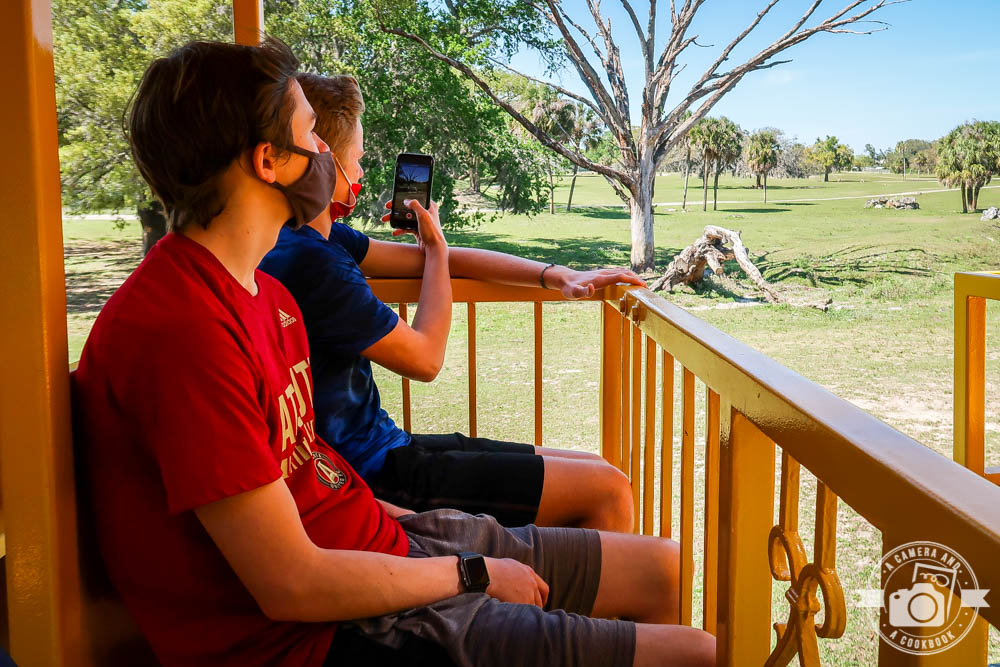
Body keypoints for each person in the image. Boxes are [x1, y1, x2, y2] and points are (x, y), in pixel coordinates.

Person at [72, 37, 715, 667]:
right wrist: (470, 571)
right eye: (312, 135)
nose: (327, 155)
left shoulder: (267, 294)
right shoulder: (184, 332)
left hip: (389, 541)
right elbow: (291, 583)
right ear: (270, 161)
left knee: (661, 568)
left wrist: (425, 531)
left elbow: (310, 471)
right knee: (702, 653)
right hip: (326, 630)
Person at [259, 72, 645, 532]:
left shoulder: (324, 239)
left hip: (384, 443)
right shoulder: (312, 260)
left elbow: (447, 257)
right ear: (320, 159)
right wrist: (436, 252)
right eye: (356, 161)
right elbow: (426, 359)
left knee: (596, 468)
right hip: (368, 471)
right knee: (609, 491)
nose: (359, 175)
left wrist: (556, 275)